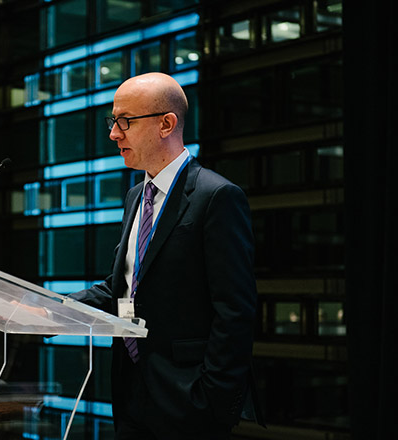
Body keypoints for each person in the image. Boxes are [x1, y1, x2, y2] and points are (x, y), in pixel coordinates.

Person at [68, 72, 264, 439]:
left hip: (189, 400)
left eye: (125, 121)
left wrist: (210, 397)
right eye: (113, 121)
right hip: (131, 392)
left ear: (166, 124)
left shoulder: (217, 196)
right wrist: (51, 307)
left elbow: (235, 311)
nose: (114, 134)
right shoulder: (135, 197)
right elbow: (123, 287)